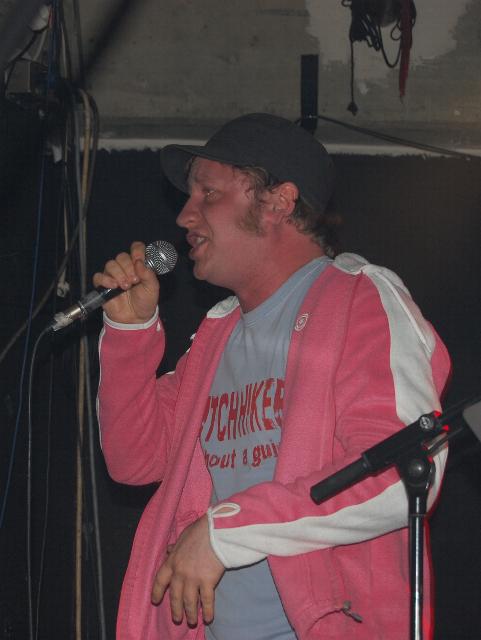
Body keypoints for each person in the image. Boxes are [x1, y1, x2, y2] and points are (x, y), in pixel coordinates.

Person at [94, 113, 451, 640]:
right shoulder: (217, 336)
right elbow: (134, 459)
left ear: (278, 202)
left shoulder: (359, 299)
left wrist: (229, 531)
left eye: (208, 193)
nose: (185, 215)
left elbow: (404, 472)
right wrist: (128, 333)